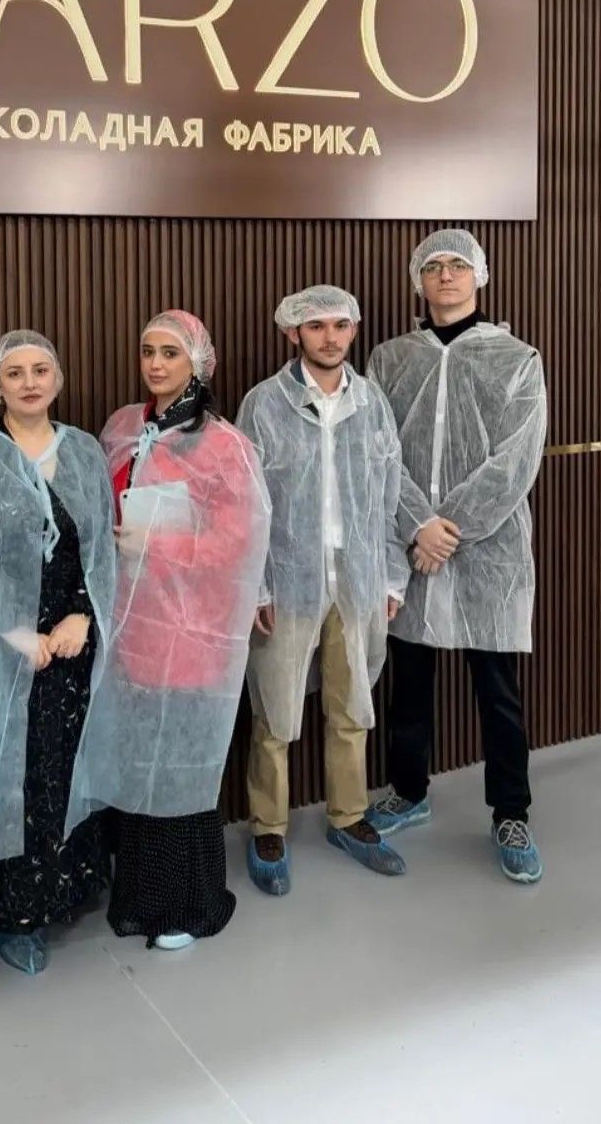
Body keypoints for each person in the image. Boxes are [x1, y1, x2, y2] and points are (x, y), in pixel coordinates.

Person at [68, 311, 270, 950]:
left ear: (198, 363)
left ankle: (187, 903)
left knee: (179, 768)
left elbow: (238, 541)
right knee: (138, 762)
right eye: (148, 351)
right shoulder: (123, 427)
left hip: (189, 633)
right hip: (130, 630)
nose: (156, 364)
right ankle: (138, 896)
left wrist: (160, 545)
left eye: (170, 354)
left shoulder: (223, 445)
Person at [365, 230, 548, 883]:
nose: (446, 275)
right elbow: (379, 448)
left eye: (458, 265)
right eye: (434, 266)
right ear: (418, 280)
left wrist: (452, 528)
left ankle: (511, 813)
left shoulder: (517, 359)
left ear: (480, 276)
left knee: (498, 692)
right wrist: (419, 525)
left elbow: (516, 459)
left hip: (488, 555)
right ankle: (408, 790)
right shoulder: (389, 359)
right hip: (412, 547)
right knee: (409, 683)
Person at [0, 330, 115, 975]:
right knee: (6, 775)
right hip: (0, 652)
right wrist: (16, 633)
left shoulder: (85, 451)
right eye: (15, 373)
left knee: (61, 770)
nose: (30, 383)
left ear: (58, 379)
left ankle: (59, 896)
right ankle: (10, 916)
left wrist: (83, 615)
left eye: (41, 370)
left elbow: (103, 546)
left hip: (70, 644)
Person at [236, 286, 411, 894]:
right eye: (316, 327)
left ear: (353, 330)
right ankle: (268, 827)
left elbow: (389, 494)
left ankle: (348, 817)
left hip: (357, 579)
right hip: (288, 581)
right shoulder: (264, 404)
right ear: (294, 334)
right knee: (275, 710)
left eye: (340, 325)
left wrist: (391, 574)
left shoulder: (372, 403)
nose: (330, 337)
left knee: (351, 704)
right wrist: (258, 585)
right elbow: (247, 503)